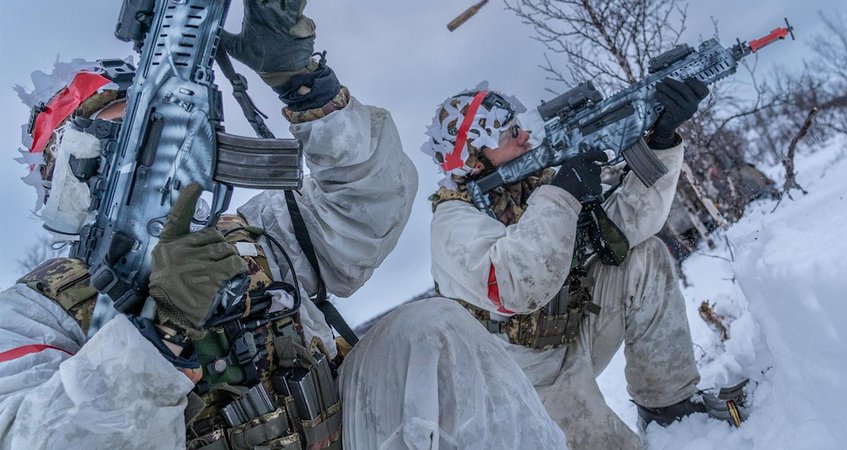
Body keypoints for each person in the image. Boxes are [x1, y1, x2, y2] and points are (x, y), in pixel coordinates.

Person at [1, 2, 567, 449]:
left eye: (160, 134)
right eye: (121, 139)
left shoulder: (244, 240)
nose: (157, 158)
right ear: (72, 172)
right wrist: (158, 336)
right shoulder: (30, 315)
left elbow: (370, 205)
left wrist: (304, 83)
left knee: (431, 331)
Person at [423, 79, 740, 448]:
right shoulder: (452, 225)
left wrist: (662, 139)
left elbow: (627, 227)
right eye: (510, 133)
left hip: (576, 328)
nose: (525, 136)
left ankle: (667, 409)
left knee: (643, 256)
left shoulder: (531, 186)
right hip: (526, 382)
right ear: (475, 157)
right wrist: (562, 194)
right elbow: (518, 286)